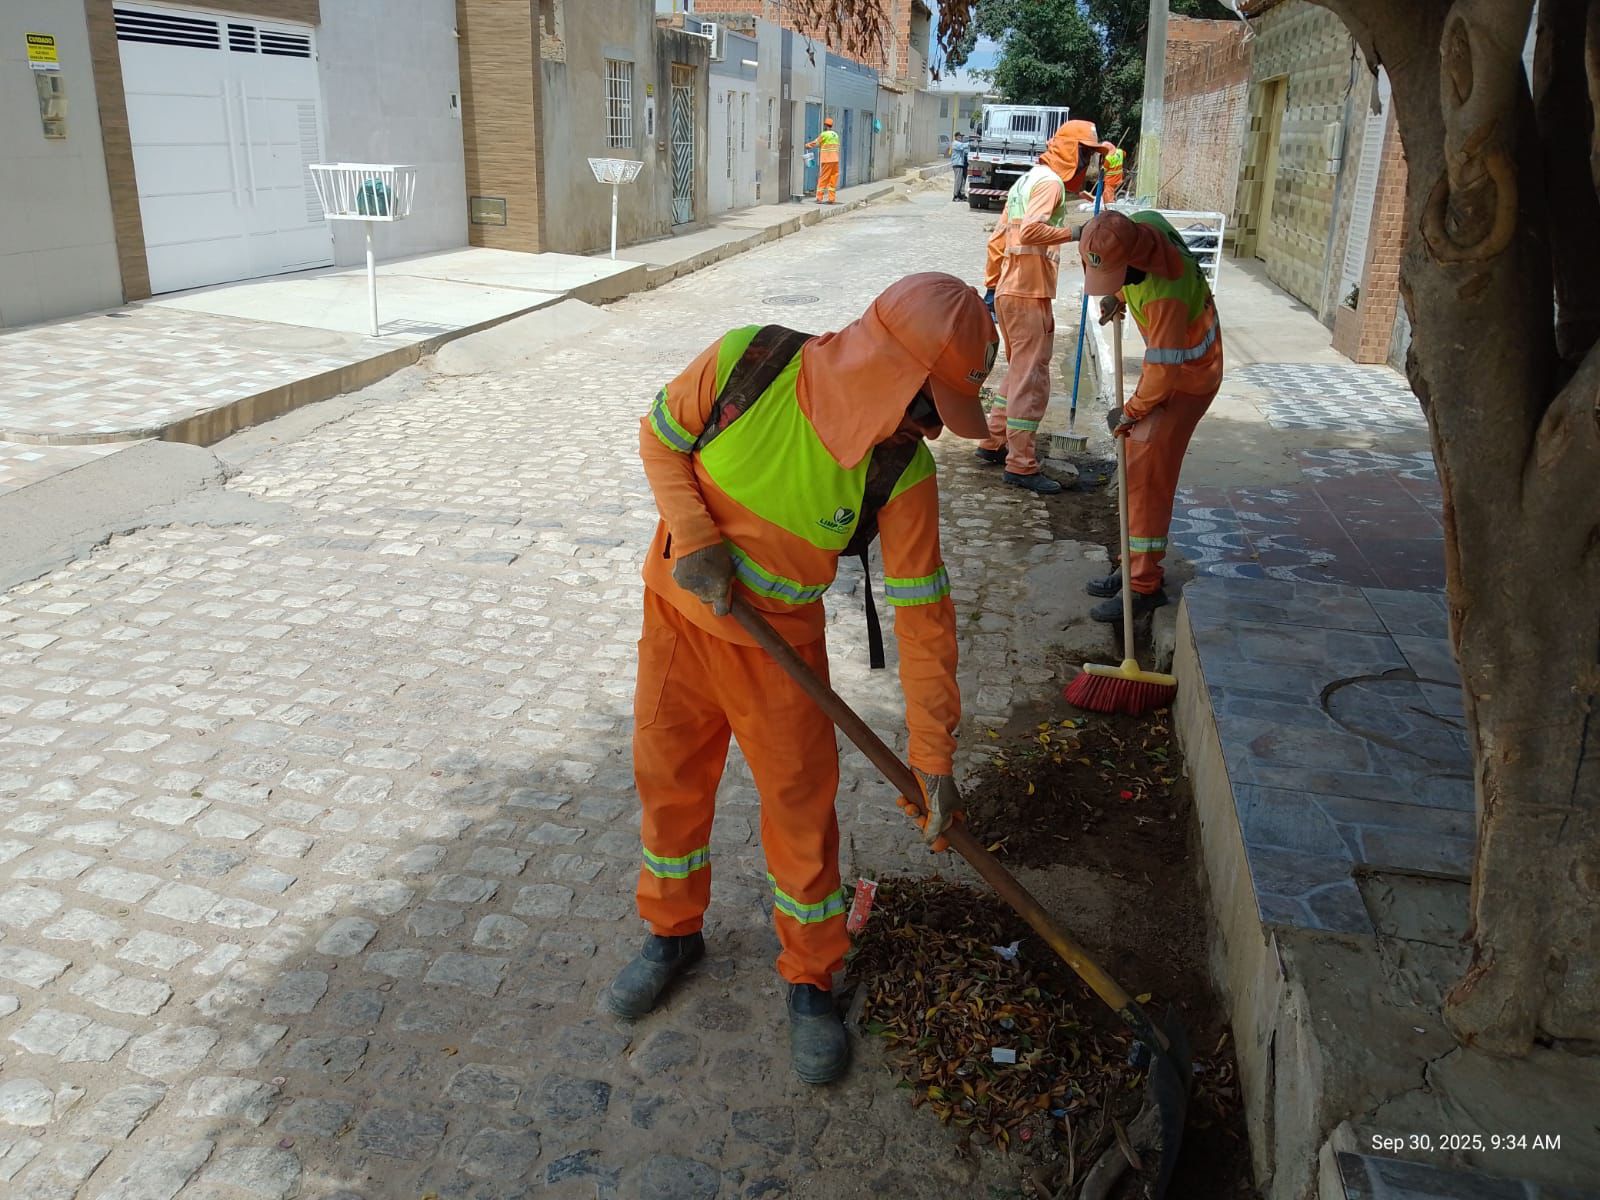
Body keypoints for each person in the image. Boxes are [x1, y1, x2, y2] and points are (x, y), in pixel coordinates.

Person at [608, 273, 998, 1085]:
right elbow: (659, 437)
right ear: (897, 373)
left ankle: (812, 975)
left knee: (799, 812)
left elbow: (924, 619)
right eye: (931, 408)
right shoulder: (745, 364)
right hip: (678, 625)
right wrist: (694, 534)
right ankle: (672, 929)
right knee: (668, 780)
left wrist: (933, 758)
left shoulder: (901, 476)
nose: (930, 432)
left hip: (780, 659)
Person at [1078, 210, 1223, 619]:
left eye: (1121, 277)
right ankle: (1130, 568)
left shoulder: (1167, 296)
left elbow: (1161, 379)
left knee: (1146, 475)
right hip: (1170, 373)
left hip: (1187, 381)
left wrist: (1128, 413)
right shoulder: (1144, 224)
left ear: (1137, 263)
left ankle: (1143, 586)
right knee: (1134, 468)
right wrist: (1116, 296)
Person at [976, 120, 1114, 495]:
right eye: (1088, 157)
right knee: (1030, 378)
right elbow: (1032, 230)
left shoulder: (1028, 180)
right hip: (1027, 292)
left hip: (1011, 290)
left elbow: (999, 237)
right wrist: (1076, 232)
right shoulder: (1049, 184)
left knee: (1017, 371)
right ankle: (1021, 464)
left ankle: (993, 441)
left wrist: (992, 286)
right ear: (1075, 154)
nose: (1089, 166)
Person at [807, 118, 841, 204]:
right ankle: (831, 199)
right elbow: (830, 145)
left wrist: (808, 145)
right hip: (835, 160)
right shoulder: (835, 135)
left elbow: (816, 142)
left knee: (823, 178)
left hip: (827, 160)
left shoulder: (824, 134)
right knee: (833, 179)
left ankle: (819, 198)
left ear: (825, 125)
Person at [950, 132, 970, 201]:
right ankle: (955, 196)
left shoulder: (960, 144)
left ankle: (961, 195)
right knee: (958, 180)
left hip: (961, 164)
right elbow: (963, 146)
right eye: (960, 136)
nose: (961, 137)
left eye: (961, 136)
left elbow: (966, 151)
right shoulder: (956, 143)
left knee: (962, 180)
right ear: (956, 137)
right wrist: (971, 143)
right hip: (957, 164)